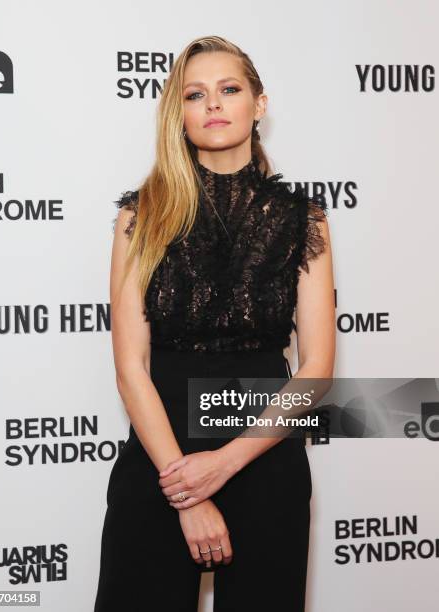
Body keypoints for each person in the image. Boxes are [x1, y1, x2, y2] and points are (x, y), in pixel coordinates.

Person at [94, 35, 335, 612]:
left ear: (260, 103)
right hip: (161, 457)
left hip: (264, 456)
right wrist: (186, 491)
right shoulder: (141, 215)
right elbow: (131, 369)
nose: (214, 105)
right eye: (195, 95)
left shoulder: (306, 220)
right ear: (178, 114)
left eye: (229, 89)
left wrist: (223, 465)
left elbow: (317, 371)